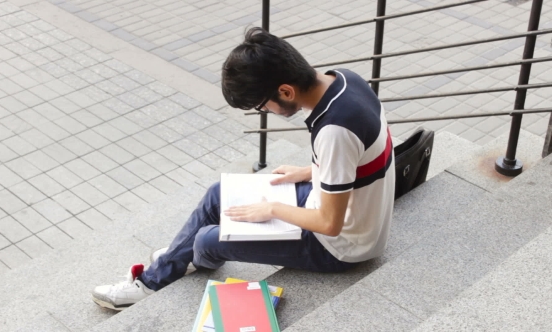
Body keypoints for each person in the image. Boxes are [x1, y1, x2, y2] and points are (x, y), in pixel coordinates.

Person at [92, 27, 395, 311]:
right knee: (218, 193)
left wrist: (273, 209)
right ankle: (172, 261)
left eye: (263, 105)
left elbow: (329, 223)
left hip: (342, 246)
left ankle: (166, 270)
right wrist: (308, 171)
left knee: (205, 241)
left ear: (286, 91)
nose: (265, 112)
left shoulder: (334, 130)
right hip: (346, 210)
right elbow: (359, 159)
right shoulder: (344, 79)